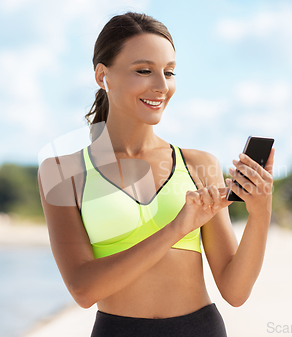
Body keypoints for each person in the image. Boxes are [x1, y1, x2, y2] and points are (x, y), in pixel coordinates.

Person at [38, 12, 275, 337]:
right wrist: (177, 227)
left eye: (169, 72)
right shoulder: (62, 172)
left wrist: (260, 213)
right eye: (144, 71)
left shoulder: (199, 165)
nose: (162, 86)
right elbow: (83, 289)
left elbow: (235, 291)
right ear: (102, 75)